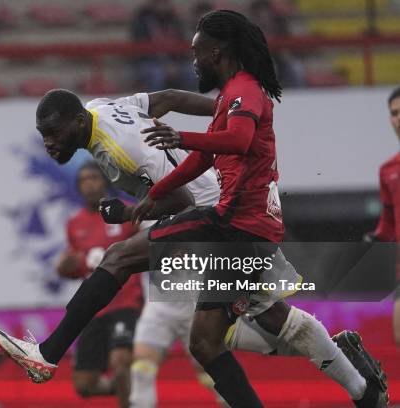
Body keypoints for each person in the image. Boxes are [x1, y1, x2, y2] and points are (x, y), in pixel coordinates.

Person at [0, 85, 388, 407]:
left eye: (54, 134)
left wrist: (131, 211)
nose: (48, 143)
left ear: (77, 122)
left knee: (120, 258)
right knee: (227, 334)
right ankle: (359, 385)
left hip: (224, 220)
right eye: (44, 136)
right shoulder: (100, 109)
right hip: (221, 213)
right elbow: (165, 99)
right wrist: (221, 110)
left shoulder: (121, 150)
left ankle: (47, 354)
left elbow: (181, 201)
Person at [131, 10, 386, 407]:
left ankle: (356, 381)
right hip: (245, 226)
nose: (193, 61)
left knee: (206, 338)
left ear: (217, 53)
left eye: (197, 53)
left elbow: (238, 139)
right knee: (266, 317)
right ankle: (358, 384)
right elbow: (204, 158)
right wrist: (158, 192)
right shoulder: (228, 97)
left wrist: (180, 134)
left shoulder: (244, 91)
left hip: (241, 227)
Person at [57, 161, 143, 407]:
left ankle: (129, 393)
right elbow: (81, 268)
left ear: (105, 181)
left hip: (126, 304)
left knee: (120, 363)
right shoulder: (74, 224)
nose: (89, 184)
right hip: (93, 309)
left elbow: (149, 250)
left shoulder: (126, 213)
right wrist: (66, 269)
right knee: (84, 385)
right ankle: (129, 390)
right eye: (83, 180)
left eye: (94, 177)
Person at [367, 87, 400, 347]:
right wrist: (374, 239)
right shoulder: (388, 170)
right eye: (394, 113)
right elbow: (389, 225)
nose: (398, 118)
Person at [130, 0, 194, 92]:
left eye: (165, 3)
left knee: (190, 72)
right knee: (157, 74)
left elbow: (182, 43)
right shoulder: (141, 21)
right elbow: (141, 48)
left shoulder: (175, 20)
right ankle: (154, 103)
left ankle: (191, 103)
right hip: (151, 61)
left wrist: (174, 63)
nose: (163, 6)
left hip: (176, 61)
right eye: (159, 3)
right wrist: (165, 65)